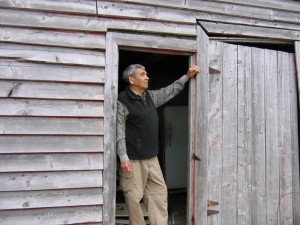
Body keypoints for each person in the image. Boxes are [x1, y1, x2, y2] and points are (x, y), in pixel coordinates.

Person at [116, 64, 199, 225]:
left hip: (152, 158)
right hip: (133, 160)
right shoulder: (123, 100)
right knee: (134, 198)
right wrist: (123, 157)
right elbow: (118, 130)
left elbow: (169, 91)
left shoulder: (149, 97)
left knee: (159, 194)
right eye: (142, 74)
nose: (147, 77)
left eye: (146, 74)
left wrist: (186, 76)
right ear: (132, 79)